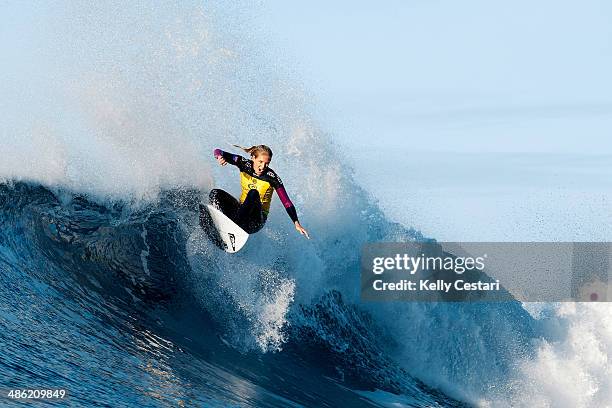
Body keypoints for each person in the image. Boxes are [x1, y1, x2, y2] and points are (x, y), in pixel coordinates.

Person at [210, 144, 310, 239]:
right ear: (253, 158)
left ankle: (232, 226)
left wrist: (296, 223)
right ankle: (218, 222)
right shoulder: (243, 164)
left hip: (255, 221)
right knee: (215, 193)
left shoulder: (272, 178)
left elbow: (287, 202)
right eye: (260, 162)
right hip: (240, 210)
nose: (263, 167)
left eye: (267, 163)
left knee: (253, 193)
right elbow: (218, 151)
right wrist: (219, 157)